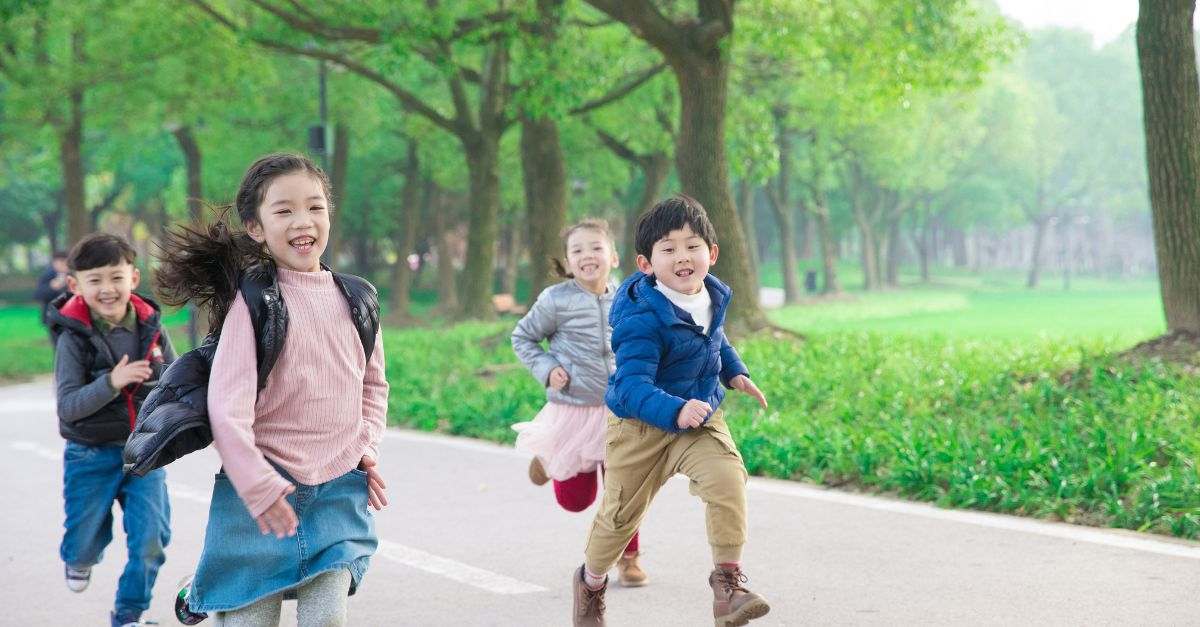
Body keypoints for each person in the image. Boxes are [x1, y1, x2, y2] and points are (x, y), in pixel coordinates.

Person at [157, 153, 389, 626]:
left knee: (327, 618)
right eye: (284, 210)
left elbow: (373, 385)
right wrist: (255, 482)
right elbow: (228, 407)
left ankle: (206, 585)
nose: (303, 221)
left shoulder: (359, 298)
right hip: (261, 492)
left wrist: (365, 445)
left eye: (315, 207)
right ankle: (204, 586)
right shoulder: (253, 303)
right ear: (256, 227)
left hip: (338, 490)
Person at [572, 196, 772, 627]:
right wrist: (675, 410)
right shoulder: (641, 318)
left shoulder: (712, 295)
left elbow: (712, 339)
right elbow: (631, 386)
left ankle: (728, 587)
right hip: (638, 428)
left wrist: (735, 372)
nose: (682, 256)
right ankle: (590, 583)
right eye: (668, 248)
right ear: (646, 264)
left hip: (699, 416)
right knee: (619, 519)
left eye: (692, 245)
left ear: (711, 253)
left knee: (727, 479)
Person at [47, 233, 176, 627]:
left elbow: (176, 380)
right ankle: (79, 557)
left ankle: (128, 614)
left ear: (133, 278)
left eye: (116, 277)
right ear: (76, 285)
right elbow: (68, 407)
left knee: (151, 541)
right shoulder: (73, 339)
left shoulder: (152, 328)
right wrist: (112, 382)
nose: (107, 289)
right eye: (95, 280)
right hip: (90, 454)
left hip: (143, 452)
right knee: (84, 540)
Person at [511, 219, 648, 587]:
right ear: (568, 262)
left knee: (624, 489)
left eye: (596, 247)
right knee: (576, 501)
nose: (588, 255)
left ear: (614, 257)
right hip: (572, 409)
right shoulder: (555, 300)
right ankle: (549, 458)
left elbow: (645, 342)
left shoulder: (629, 298)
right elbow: (523, 337)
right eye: (578, 250)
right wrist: (547, 368)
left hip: (620, 410)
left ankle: (629, 558)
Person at [35, 251, 70, 343]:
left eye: (65, 262)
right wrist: (52, 287)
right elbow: (38, 295)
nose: (63, 265)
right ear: (54, 262)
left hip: (71, 316)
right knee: (58, 344)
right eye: (60, 262)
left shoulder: (73, 274)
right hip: (53, 317)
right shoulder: (47, 275)